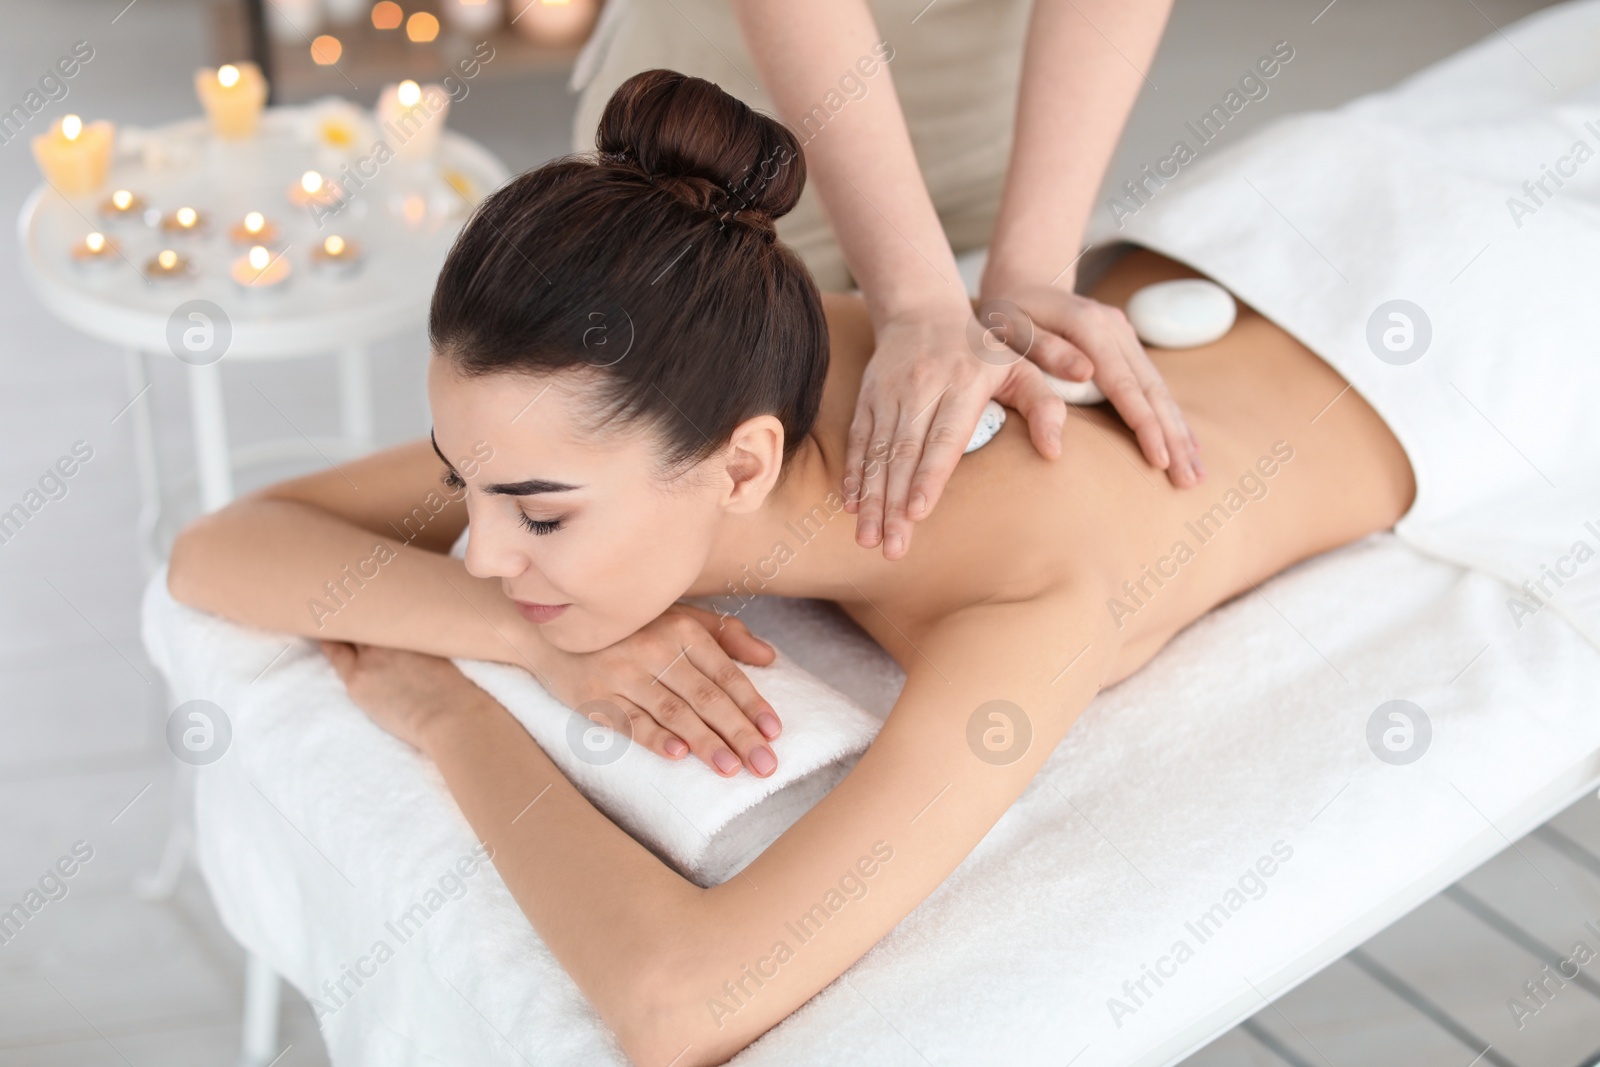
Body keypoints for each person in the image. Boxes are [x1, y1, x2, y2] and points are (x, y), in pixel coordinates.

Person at [168, 71, 1418, 1062]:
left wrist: (447, 713)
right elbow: (222, 548)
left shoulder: (1023, 604)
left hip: (1412, 317)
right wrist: (530, 638)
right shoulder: (758, 345)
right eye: (462, 482)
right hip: (1234, 239)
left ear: (743, 466)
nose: (483, 553)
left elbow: (679, 1004)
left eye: (540, 518)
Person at [575, 0, 1202, 562]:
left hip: (994, 145)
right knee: (641, 452)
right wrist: (916, 298)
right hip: (725, 153)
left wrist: (1034, 267)